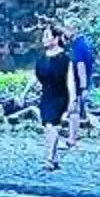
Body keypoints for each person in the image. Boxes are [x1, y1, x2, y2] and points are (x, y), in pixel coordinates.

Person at [33, 23, 73, 173]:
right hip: (46, 96)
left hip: (60, 95)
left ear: (56, 39)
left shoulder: (65, 59)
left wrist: (73, 100)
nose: (44, 39)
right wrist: (24, 92)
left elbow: (71, 81)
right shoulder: (41, 58)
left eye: (47, 36)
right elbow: (35, 77)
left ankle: (49, 158)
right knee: (48, 127)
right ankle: (55, 158)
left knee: (52, 126)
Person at [64, 22, 100, 149]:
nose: (65, 31)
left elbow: (80, 66)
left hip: (79, 83)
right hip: (79, 82)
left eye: (67, 28)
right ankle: (72, 139)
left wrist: (83, 87)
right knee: (76, 111)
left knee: (82, 112)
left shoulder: (79, 45)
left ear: (74, 29)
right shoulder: (83, 43)